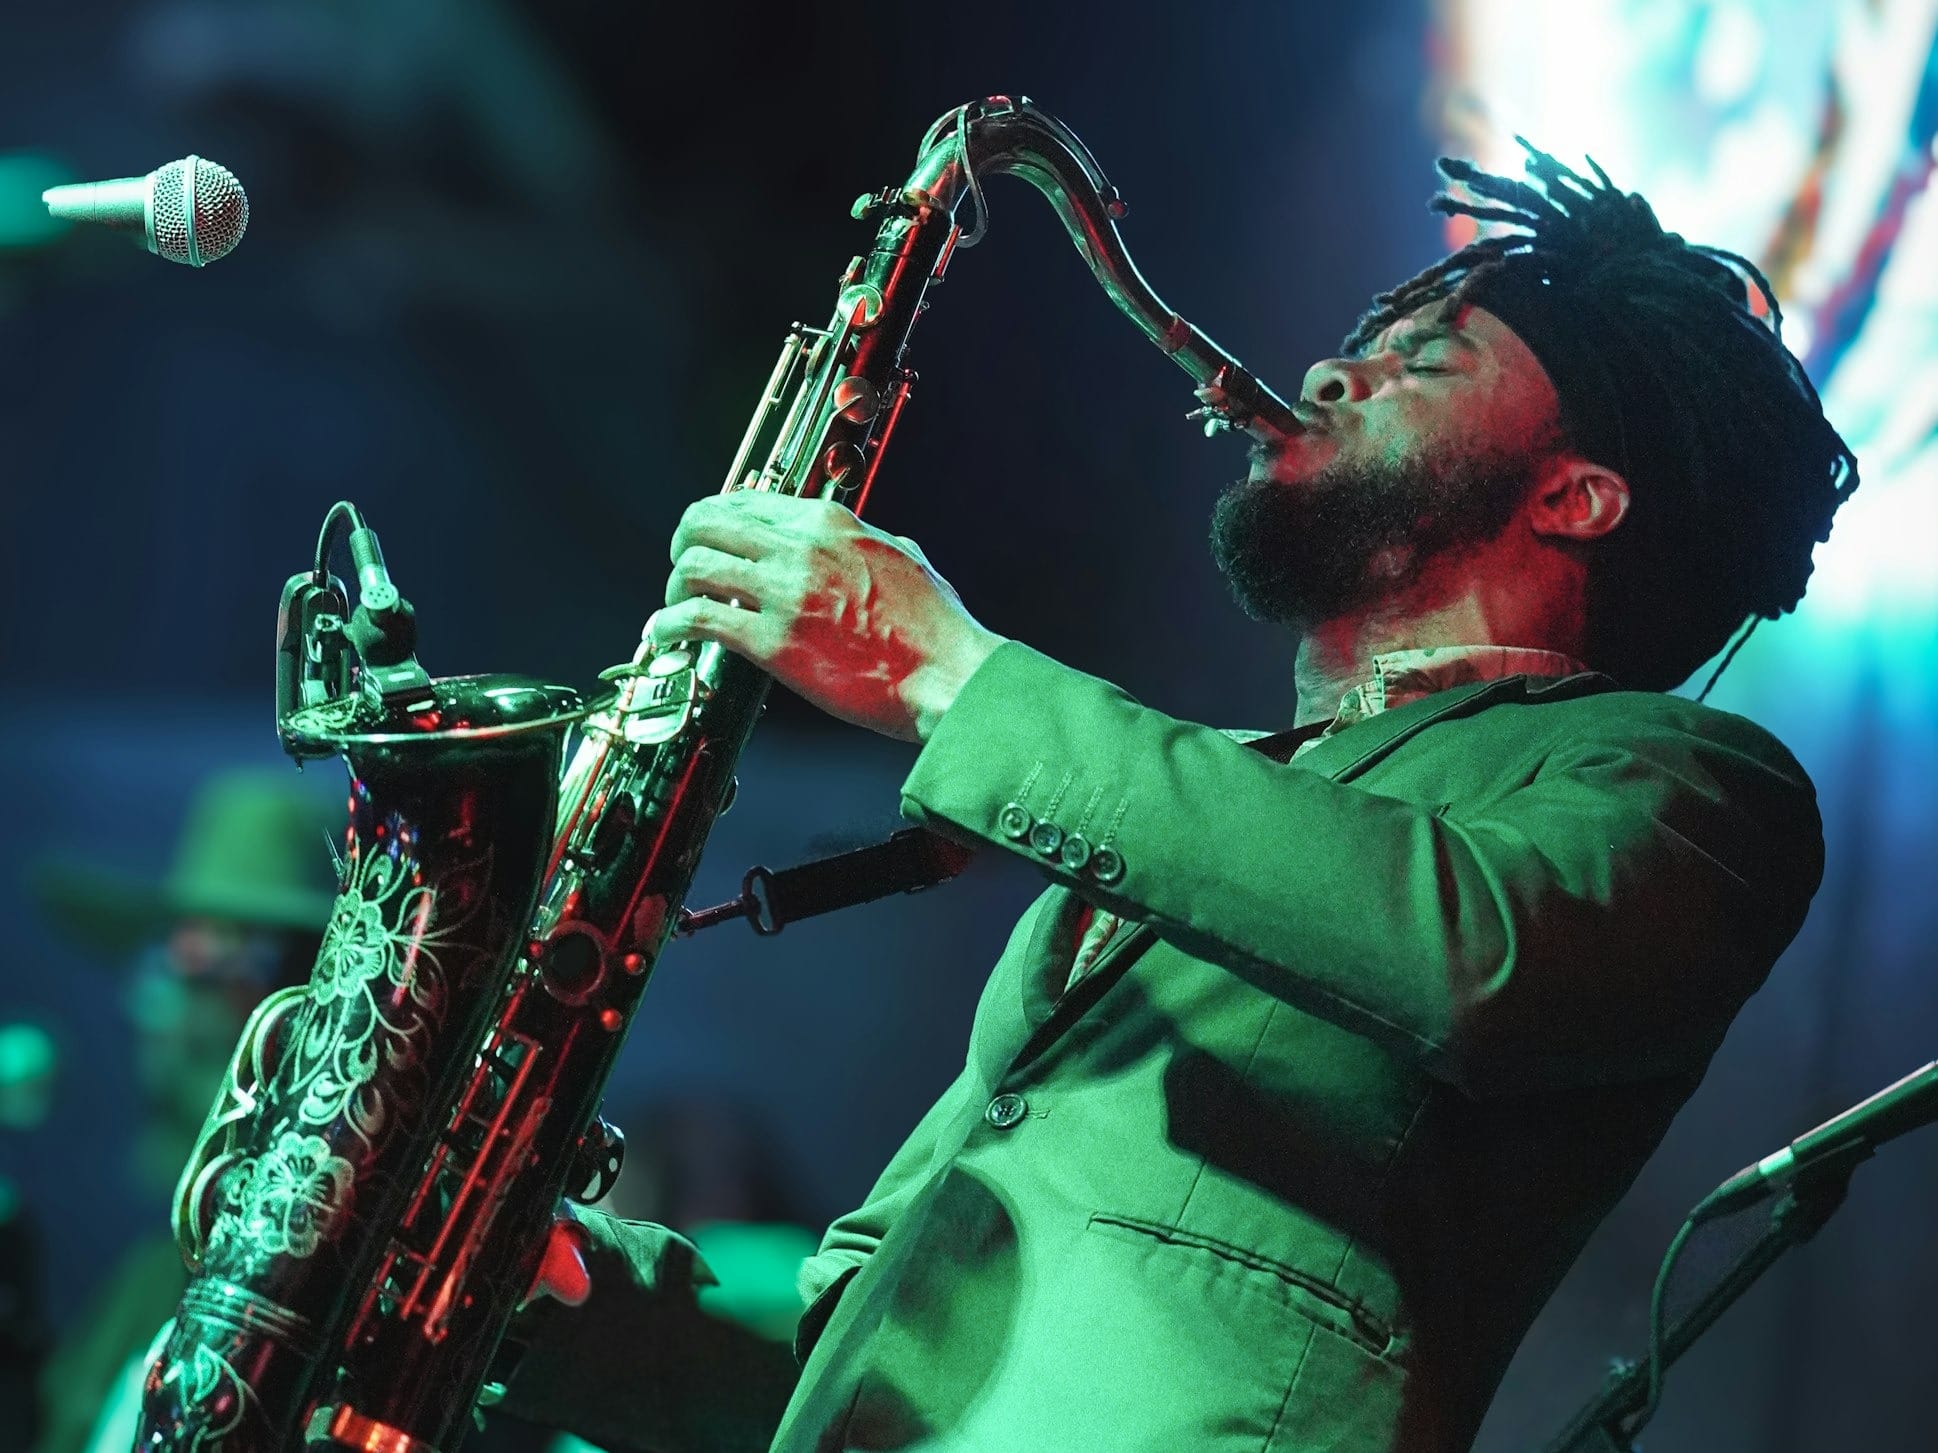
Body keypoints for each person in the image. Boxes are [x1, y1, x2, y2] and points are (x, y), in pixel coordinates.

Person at [496, 145, 1857, 1451]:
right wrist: (530, 1276)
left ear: (1574, 495)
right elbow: (851, 1348)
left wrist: (954, 672)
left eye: (1422, 360)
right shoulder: (1194, 806)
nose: (1332, 366)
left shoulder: (1695, 784)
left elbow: (1472, 951)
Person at [27, 769, 338, 1453]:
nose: (155, 1008)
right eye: (163, 965)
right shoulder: (149, 1279)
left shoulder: (355, 1299)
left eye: (202, 968)